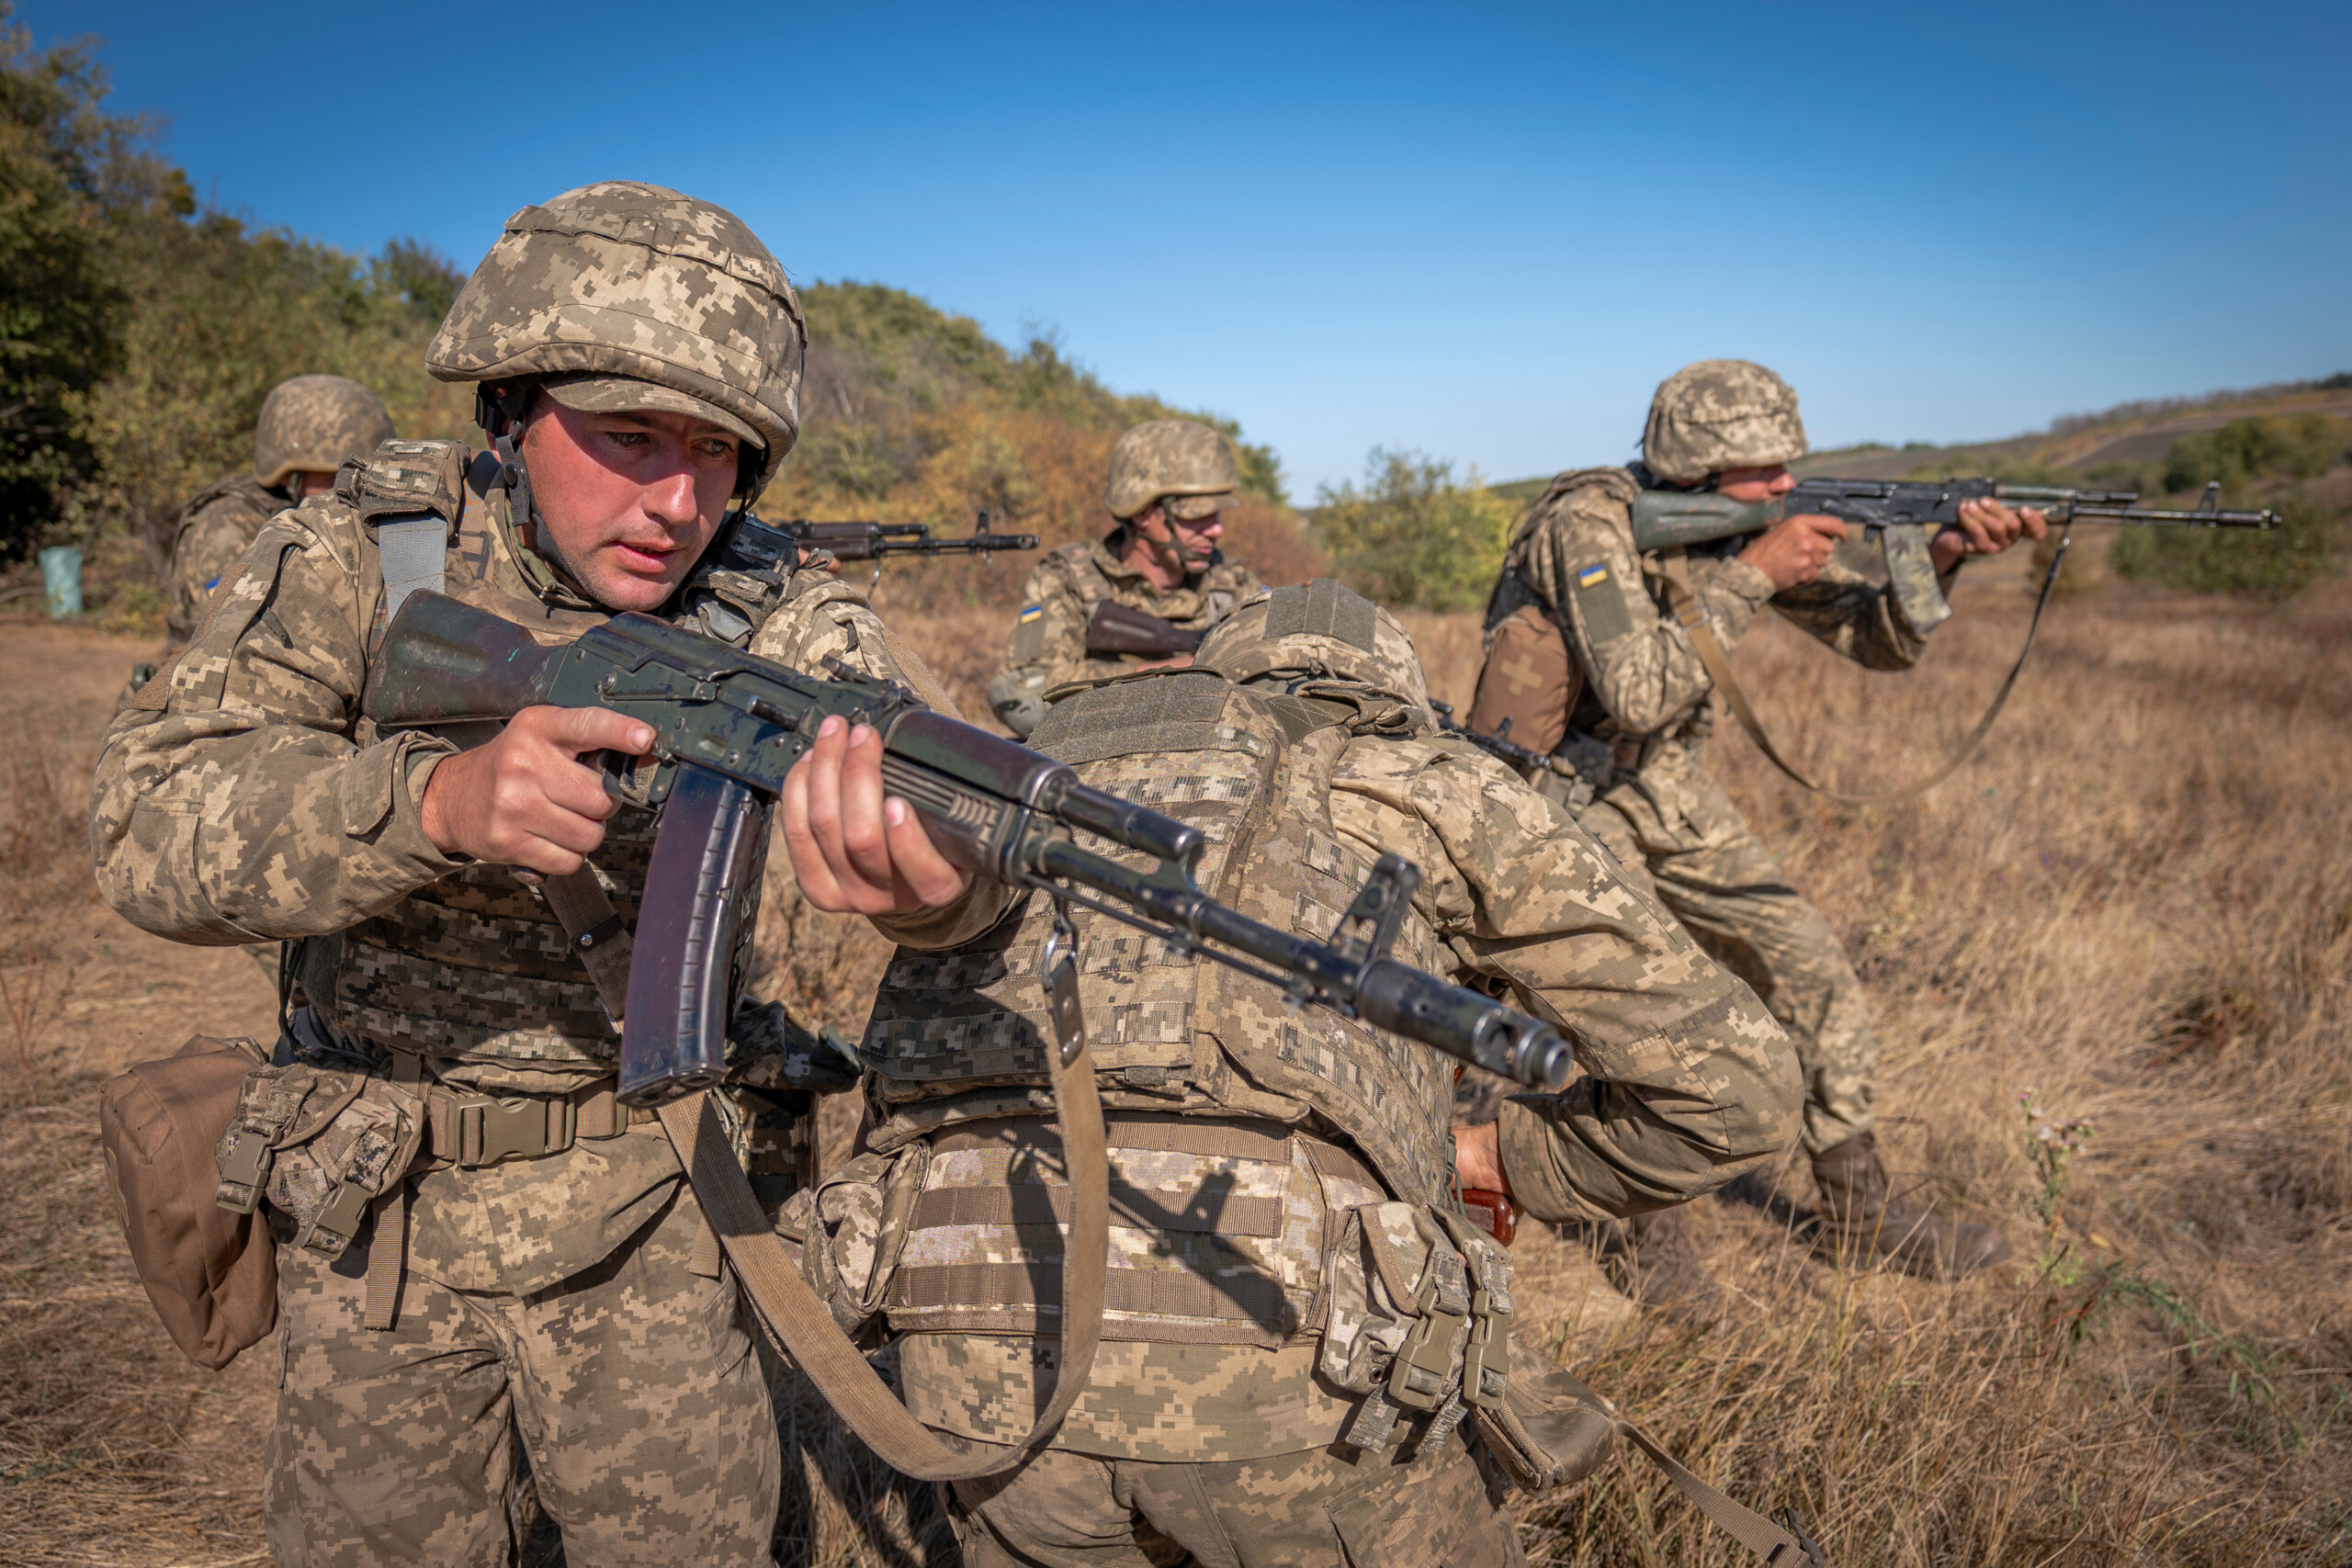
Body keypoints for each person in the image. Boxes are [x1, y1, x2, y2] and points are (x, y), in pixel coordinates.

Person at [91, 181, 989, 1568]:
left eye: (721, 451)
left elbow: (938, 782)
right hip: (377, 1227)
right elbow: (149, 820)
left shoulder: (779, 606)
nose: (678, 498)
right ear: (510, 409)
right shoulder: (358, 559)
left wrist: (938, 882)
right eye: (627, 435)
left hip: (661, 1228)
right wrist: (432, 799)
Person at [783, 579, 1802, 1568]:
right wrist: (1506, 1153)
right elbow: (1738, 1094)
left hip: (966, 1328)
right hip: (1290, 1347)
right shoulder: (1435, 782)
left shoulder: (1018, 769)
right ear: (1394, 695)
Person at [1464, 359, 2042, 1313]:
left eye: (1791, 467)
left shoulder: (1734, 529)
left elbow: (1877, 643)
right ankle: (1648, 1231)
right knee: (1644, 1006)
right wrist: (1752, 576)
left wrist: (1938, 557)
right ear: (1695, 464)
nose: (1785, 487)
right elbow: (1637, 689)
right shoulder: (1588, 521)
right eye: (1764, 471)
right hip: (1555, 790)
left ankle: (1858, 1211)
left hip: (1658, 782)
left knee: (1807, 962)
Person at [984, 417, 1263, 736]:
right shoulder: (1069, 579)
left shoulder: (1232, 583)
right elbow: (1022, 693)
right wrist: (1167, 676)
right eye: (1196, 514)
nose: (1216, 528)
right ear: (1143, 513)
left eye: (1218, 513)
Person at [164, 375, 395, 649]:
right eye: (338, 476)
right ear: (289, 476)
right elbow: (237, 646)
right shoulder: (228, 528)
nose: (353, 491)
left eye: (363, 478)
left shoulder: (339, 523)